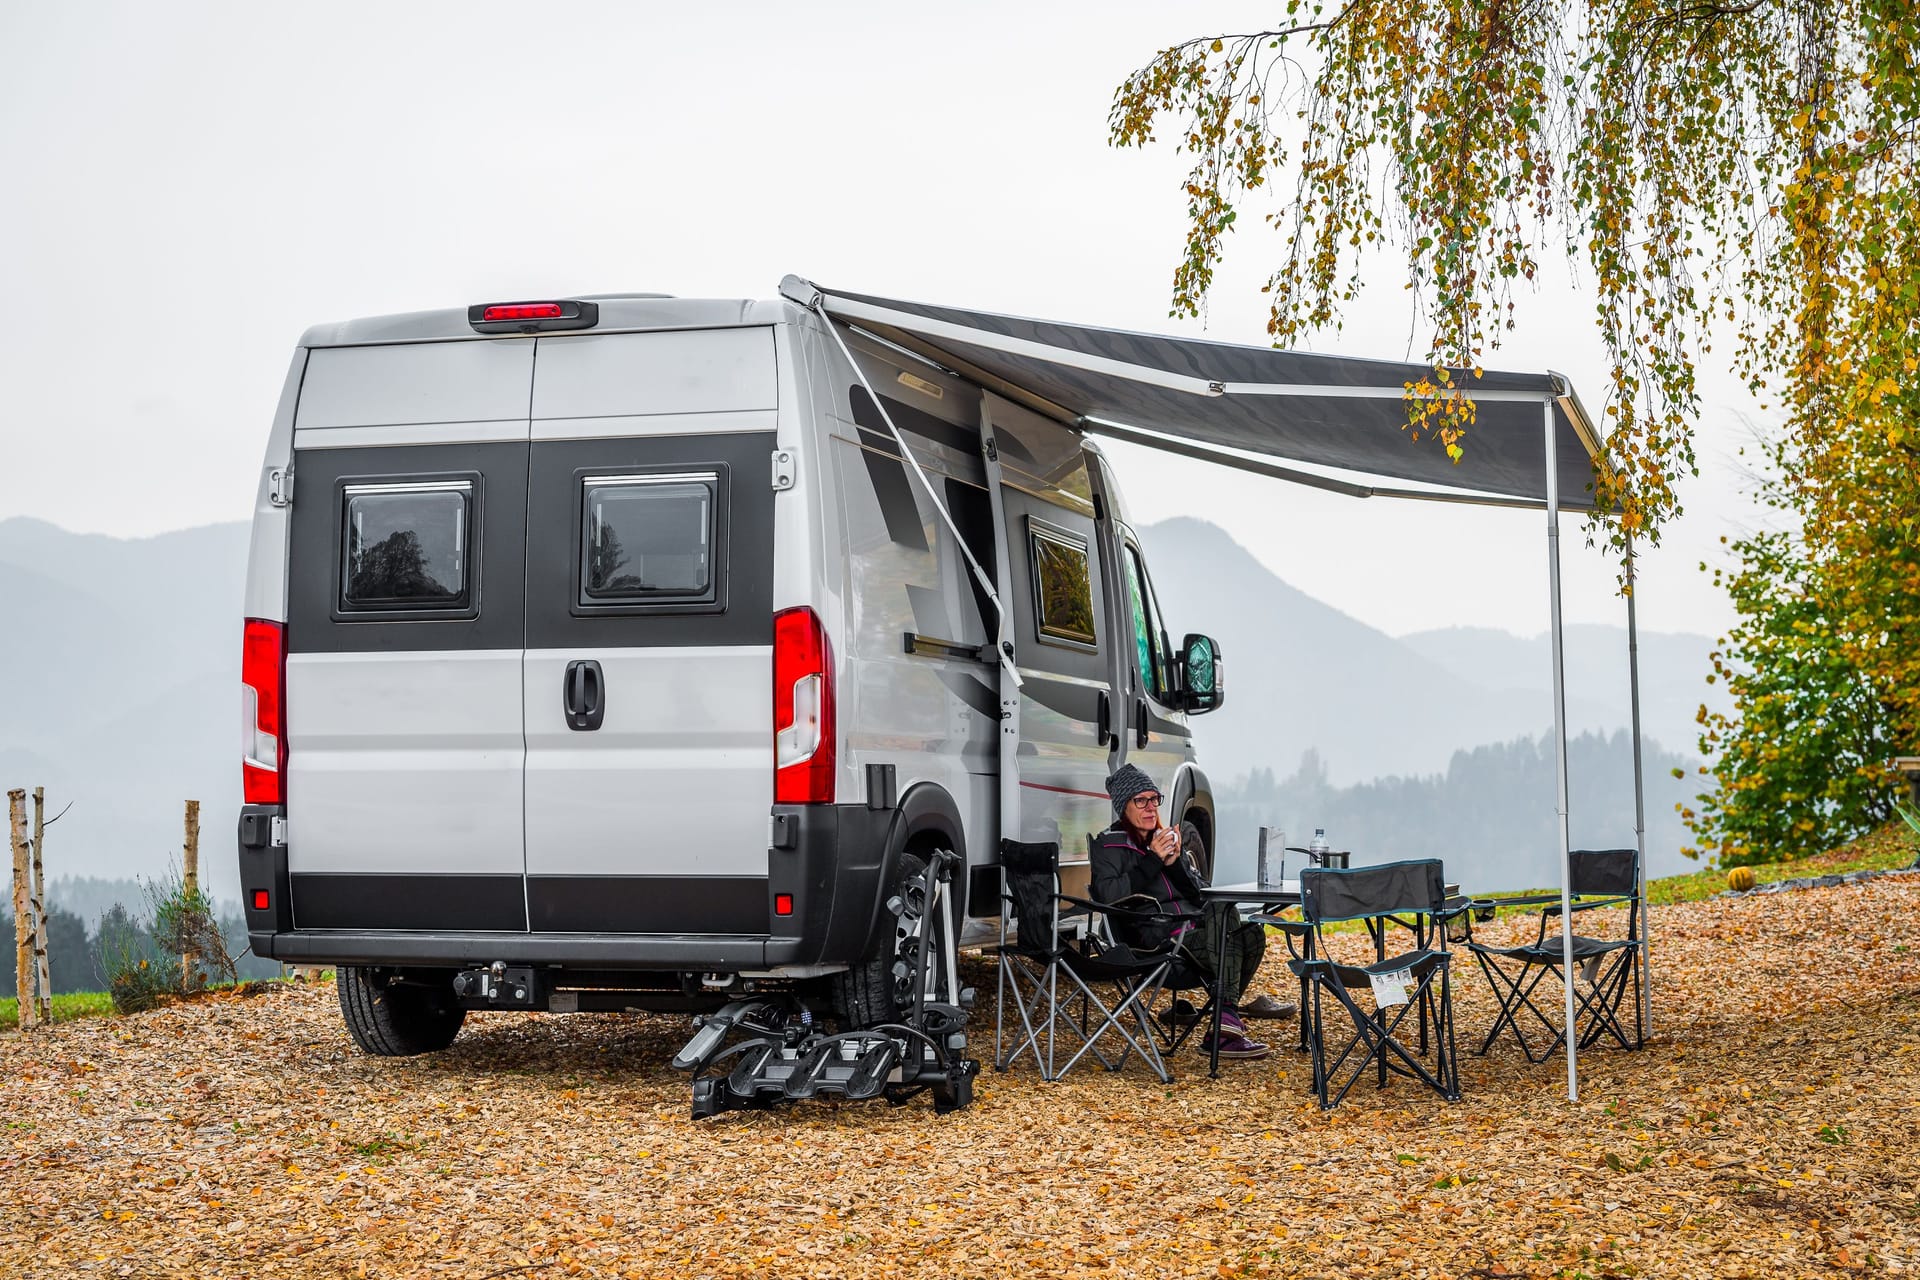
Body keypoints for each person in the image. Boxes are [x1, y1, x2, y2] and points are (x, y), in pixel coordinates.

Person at [1091, 764, 1272, 1060]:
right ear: (1123, 806)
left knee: (1251, 934)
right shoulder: (1108, 846)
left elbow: (1200, 895)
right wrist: (1152, 860)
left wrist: (1175, 864)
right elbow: (1108, 896)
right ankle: (1223, 1029)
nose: (1151, 808)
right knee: (1228, 931)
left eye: (1154, 799)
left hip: (1195, 939)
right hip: (1158, 944)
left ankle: (1223, 1020)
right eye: (1141, 801)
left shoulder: (1165, 841)